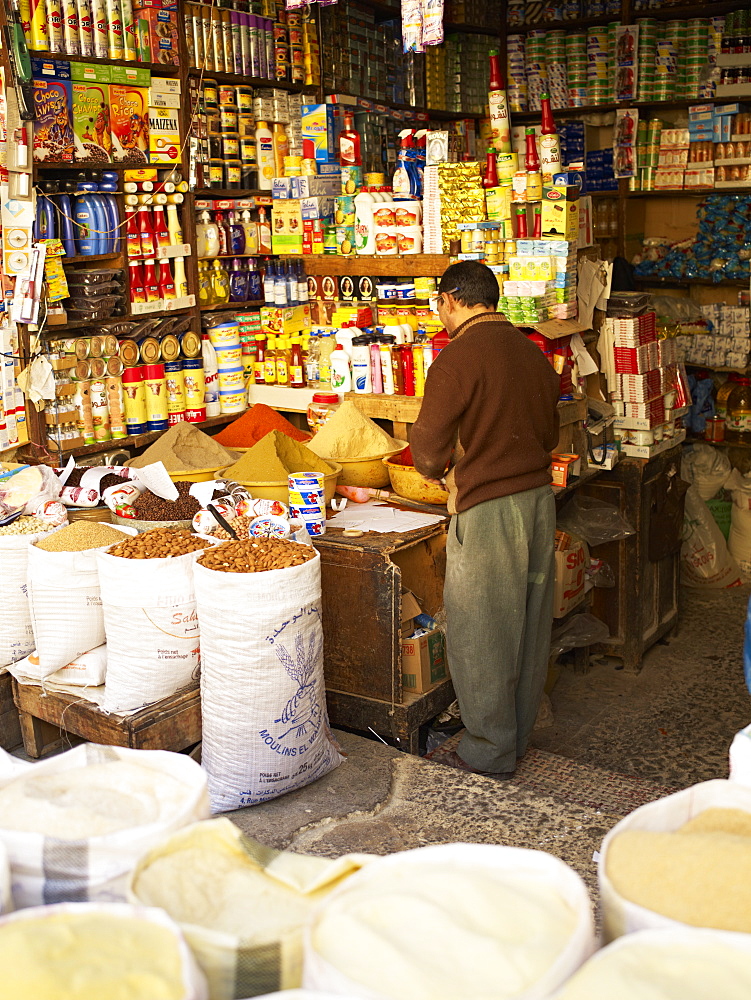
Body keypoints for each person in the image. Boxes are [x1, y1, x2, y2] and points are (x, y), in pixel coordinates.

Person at [410, 260, 560, 778]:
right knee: (528, 623)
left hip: (489, 508)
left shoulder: (456, 360)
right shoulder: (533, 355)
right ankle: (513, 737)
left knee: (481, 632)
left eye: (438, 302)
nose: (439, 311)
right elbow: (549, 434)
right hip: (538, 502)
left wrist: (445, 467)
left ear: (451, 299)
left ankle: (489, 749)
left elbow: (426, 453)